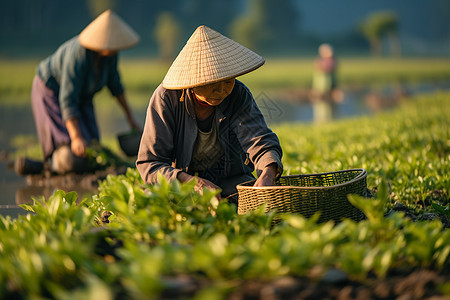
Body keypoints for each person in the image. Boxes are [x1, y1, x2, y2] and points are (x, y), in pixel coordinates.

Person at [136, 25, 283, 203]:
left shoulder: (238, 94)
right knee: (156, 203)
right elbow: (150, 164)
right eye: (212, 83)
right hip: (182, 186)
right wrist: (192, 182)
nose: (221, 91)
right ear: (193, 81)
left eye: (228, 81)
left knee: (253, 202)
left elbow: (260, 141)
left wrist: (267, 174)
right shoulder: (166, 98)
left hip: (230, 184)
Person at [15, 10, 141, 176]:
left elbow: (116, 86)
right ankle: (49, 165)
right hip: (51, 92)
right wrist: (76, 137)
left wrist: (130, 119)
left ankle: (62, 161)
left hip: (83, 97)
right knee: (71, 152)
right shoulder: (78, 55)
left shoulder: (111, 56)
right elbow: (67, 100)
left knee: (92, 147)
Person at [310, 43, 343, 123]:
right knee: (321, 109)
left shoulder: (333, 61)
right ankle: (322, 121)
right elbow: (321, 69)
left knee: (331, 109)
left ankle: (331, 121)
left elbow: (333, 71)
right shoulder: (319, 61)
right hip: (320, 88)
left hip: (330, 87)